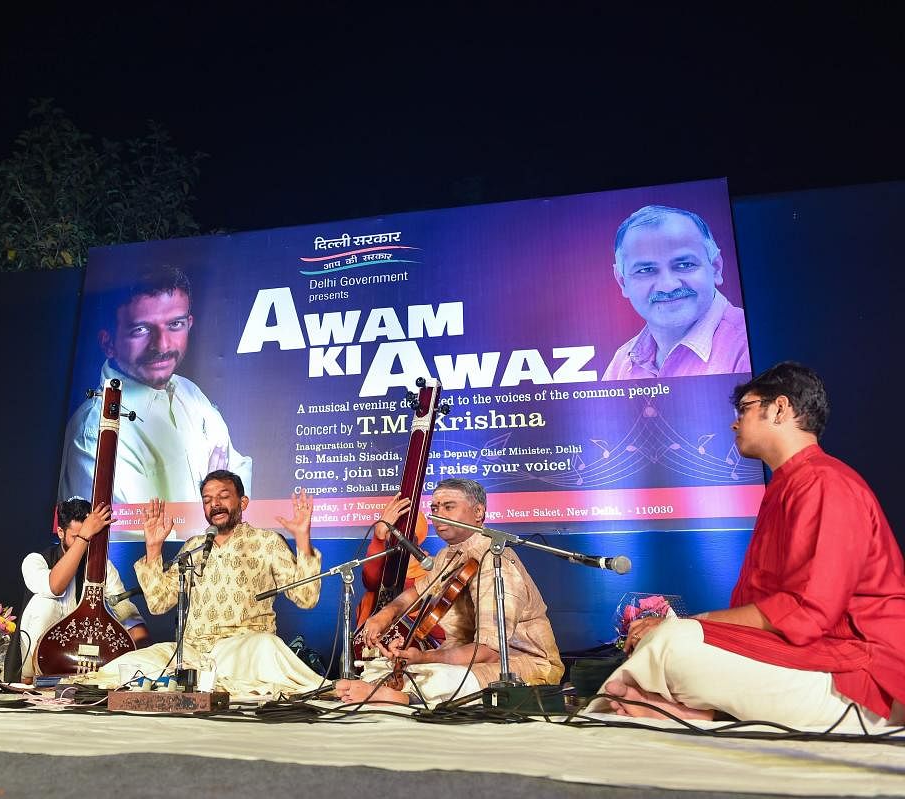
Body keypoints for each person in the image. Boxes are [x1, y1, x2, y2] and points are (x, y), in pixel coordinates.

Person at [592, 362, 905, 727]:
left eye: (744, 409)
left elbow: (808, 612)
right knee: (670, 642)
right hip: (812, 659)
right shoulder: (788, 485)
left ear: (779, 409)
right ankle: (697, 712)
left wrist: (692, 625)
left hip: (860, 676)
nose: (734, 423)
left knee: (673, 647)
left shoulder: (824, 483)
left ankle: (689, 710)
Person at [78, 469, 324, 697]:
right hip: (192, 652)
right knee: (131, 664)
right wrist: (153, 549)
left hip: (241, 647)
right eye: (207, 500)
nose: (214, 504)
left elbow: (306, 597)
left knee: (267, 646)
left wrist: (302, 538)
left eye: (223, 496)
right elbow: (159, 604)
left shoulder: (267, 542)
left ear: (243, 502)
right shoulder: (194, 548)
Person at [335, 478, 563, 706]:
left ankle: (403, 698)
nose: (438, 514)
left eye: (448, 506)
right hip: (461, 655)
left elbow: (490, 652)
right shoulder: (448, 556)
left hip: (518, 663)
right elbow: (414, 594)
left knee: (443, 677)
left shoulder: (495, 561)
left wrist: (424, 657)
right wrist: (384, 615)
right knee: (380, 666)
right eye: (434, 508)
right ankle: (398, 690)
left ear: (478, 512)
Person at [58, 265, 252, 505]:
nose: (161, 346)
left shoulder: (189, 392)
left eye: (175, 324)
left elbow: (241, 479)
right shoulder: (97, 433)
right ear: (108, 343)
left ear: (189, 324)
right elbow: (142, 538)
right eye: (140, 329)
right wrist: (215, 499)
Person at [7, 497, 150, 683]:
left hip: (82, 659)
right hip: (38, 663)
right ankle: (32, 679)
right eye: (77, 536)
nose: (85, 541)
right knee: (45, 605)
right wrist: (84, 537)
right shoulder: (36, 560)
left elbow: (125, 610)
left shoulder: (102, 567)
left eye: (91, 535)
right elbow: (54, 587)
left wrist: (144, 655)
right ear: (60, 532)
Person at [603, 205, 750, 380]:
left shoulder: (748, 347)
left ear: (716, 268)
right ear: (622, 282)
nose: (668, 286)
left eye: (685, 265)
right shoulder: (621, 363)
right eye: (646, 270)